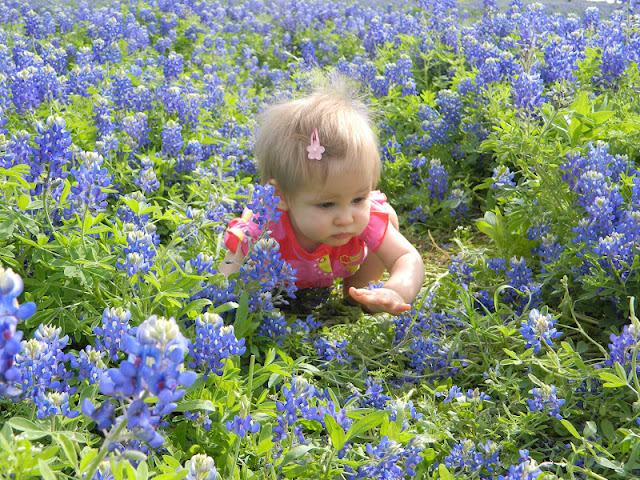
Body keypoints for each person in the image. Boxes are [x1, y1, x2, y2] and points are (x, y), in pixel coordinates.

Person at [219, 75, 425, 315]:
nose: (346, 218)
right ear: (280, 196)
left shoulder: (362, 219)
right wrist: (226, 306)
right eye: (327, 204)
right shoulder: (263, 229)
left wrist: (396, 290)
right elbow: (225, 282)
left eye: (358, 199)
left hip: (345, 269)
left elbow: (407, 257)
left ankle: (361, 292)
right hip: (277, 284)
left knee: (385, 217)